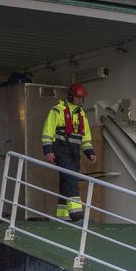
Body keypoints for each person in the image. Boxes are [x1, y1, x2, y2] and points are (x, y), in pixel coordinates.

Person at [42, 83, 96, 221]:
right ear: (71, 96)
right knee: (71, 178)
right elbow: (48, 132)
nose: (80, 101)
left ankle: (63, 215)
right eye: (78, 98)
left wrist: (89, 152)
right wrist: (48, 150)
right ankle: (76, 212)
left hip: (74, 153)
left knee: (66, 181)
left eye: (82, 98)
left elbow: (85, 137)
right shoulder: (57, 111)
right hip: (61, 150)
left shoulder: (81, 114)